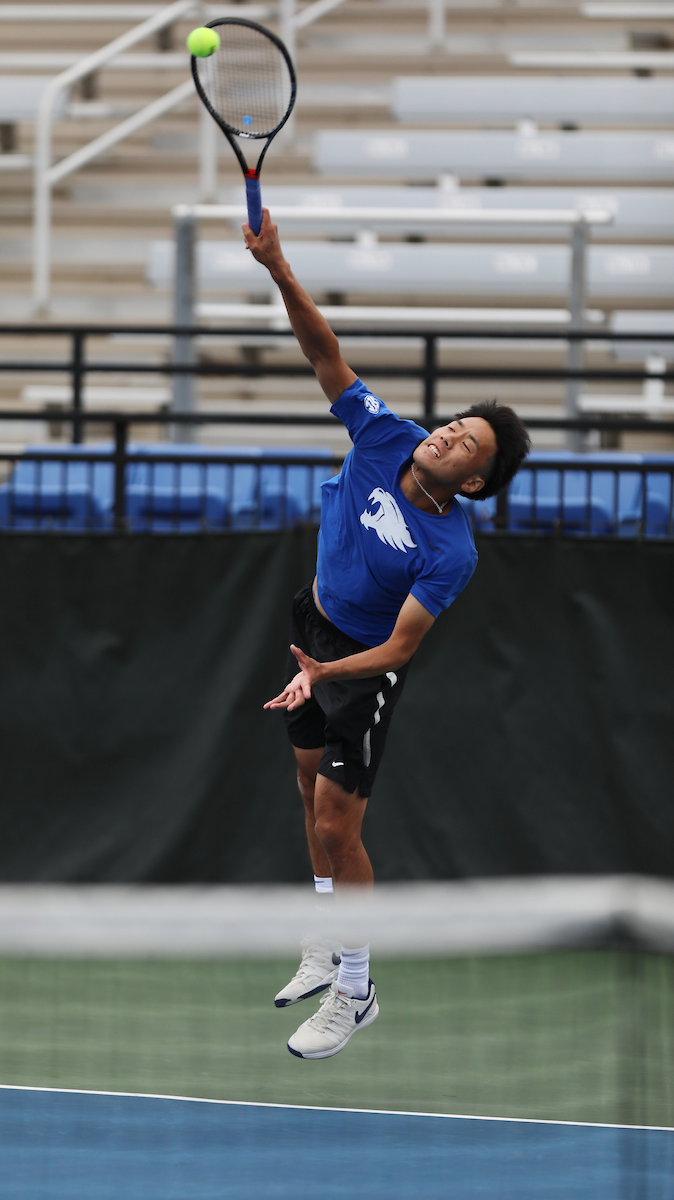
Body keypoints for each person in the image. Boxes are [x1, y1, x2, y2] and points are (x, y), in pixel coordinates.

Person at [243, 210, 531, 1060]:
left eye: (465, 443)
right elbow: (323, 354)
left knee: (340, 829)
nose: (446, 433)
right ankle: (324, 938)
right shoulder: (383, 433)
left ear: (473, 481)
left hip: (360, 668)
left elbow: (402, 651)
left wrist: (326, 672)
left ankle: (357, 990)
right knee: (306, 798)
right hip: (314, 626)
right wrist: (279, 268)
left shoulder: (450, 550)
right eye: (454, 423)